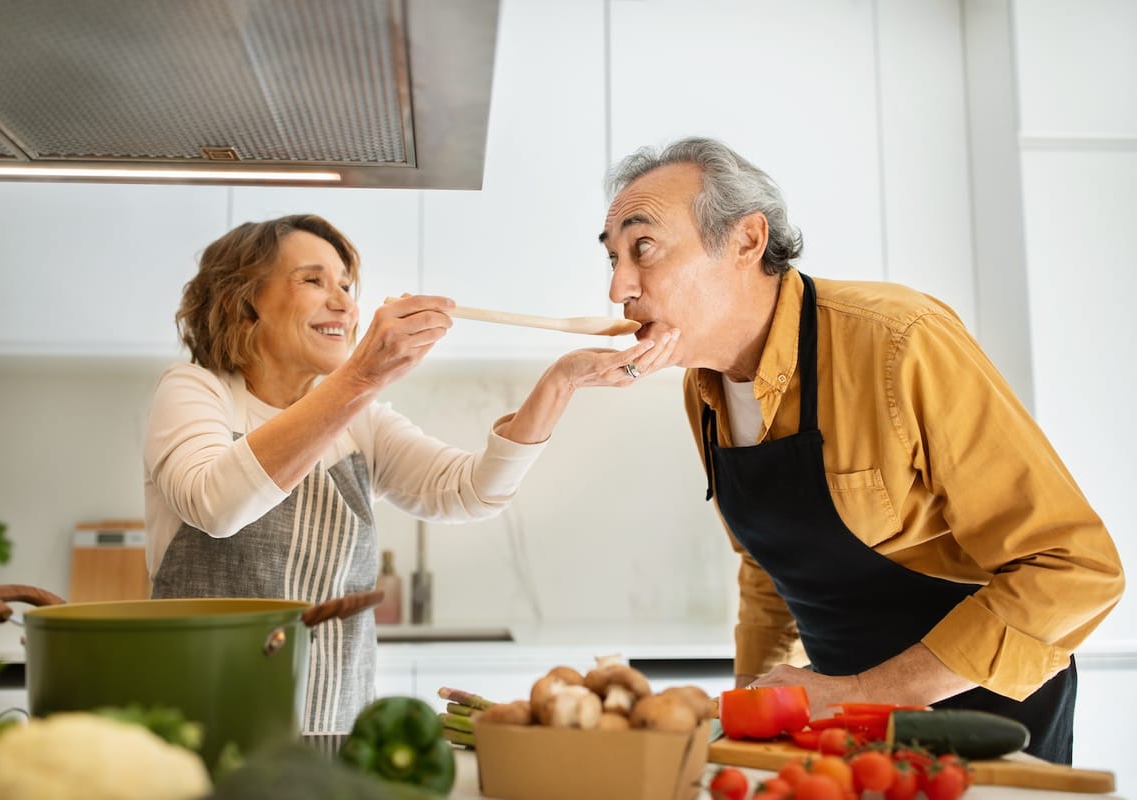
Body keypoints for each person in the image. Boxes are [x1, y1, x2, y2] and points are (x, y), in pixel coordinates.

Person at [598, 137, 1123, 763]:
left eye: (644, 248)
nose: (618, 288)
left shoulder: (900, 341)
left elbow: (1074, 568)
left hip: (987, 719)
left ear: (745, 241)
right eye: (612, 260)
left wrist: (860, 692)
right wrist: (752, 720)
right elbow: (770, 575)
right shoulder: (703, 390)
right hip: (846, 722)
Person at [143, 213, 676, 733]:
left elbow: (471, 491)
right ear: (244, 302)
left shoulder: (360, 420)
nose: (344, 302)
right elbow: (215, 506)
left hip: (331, 727)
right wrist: (358, 379)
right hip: (199, 723)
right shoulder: (196, 391)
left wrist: (560, 383)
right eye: (313, 280)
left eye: (347, 284)